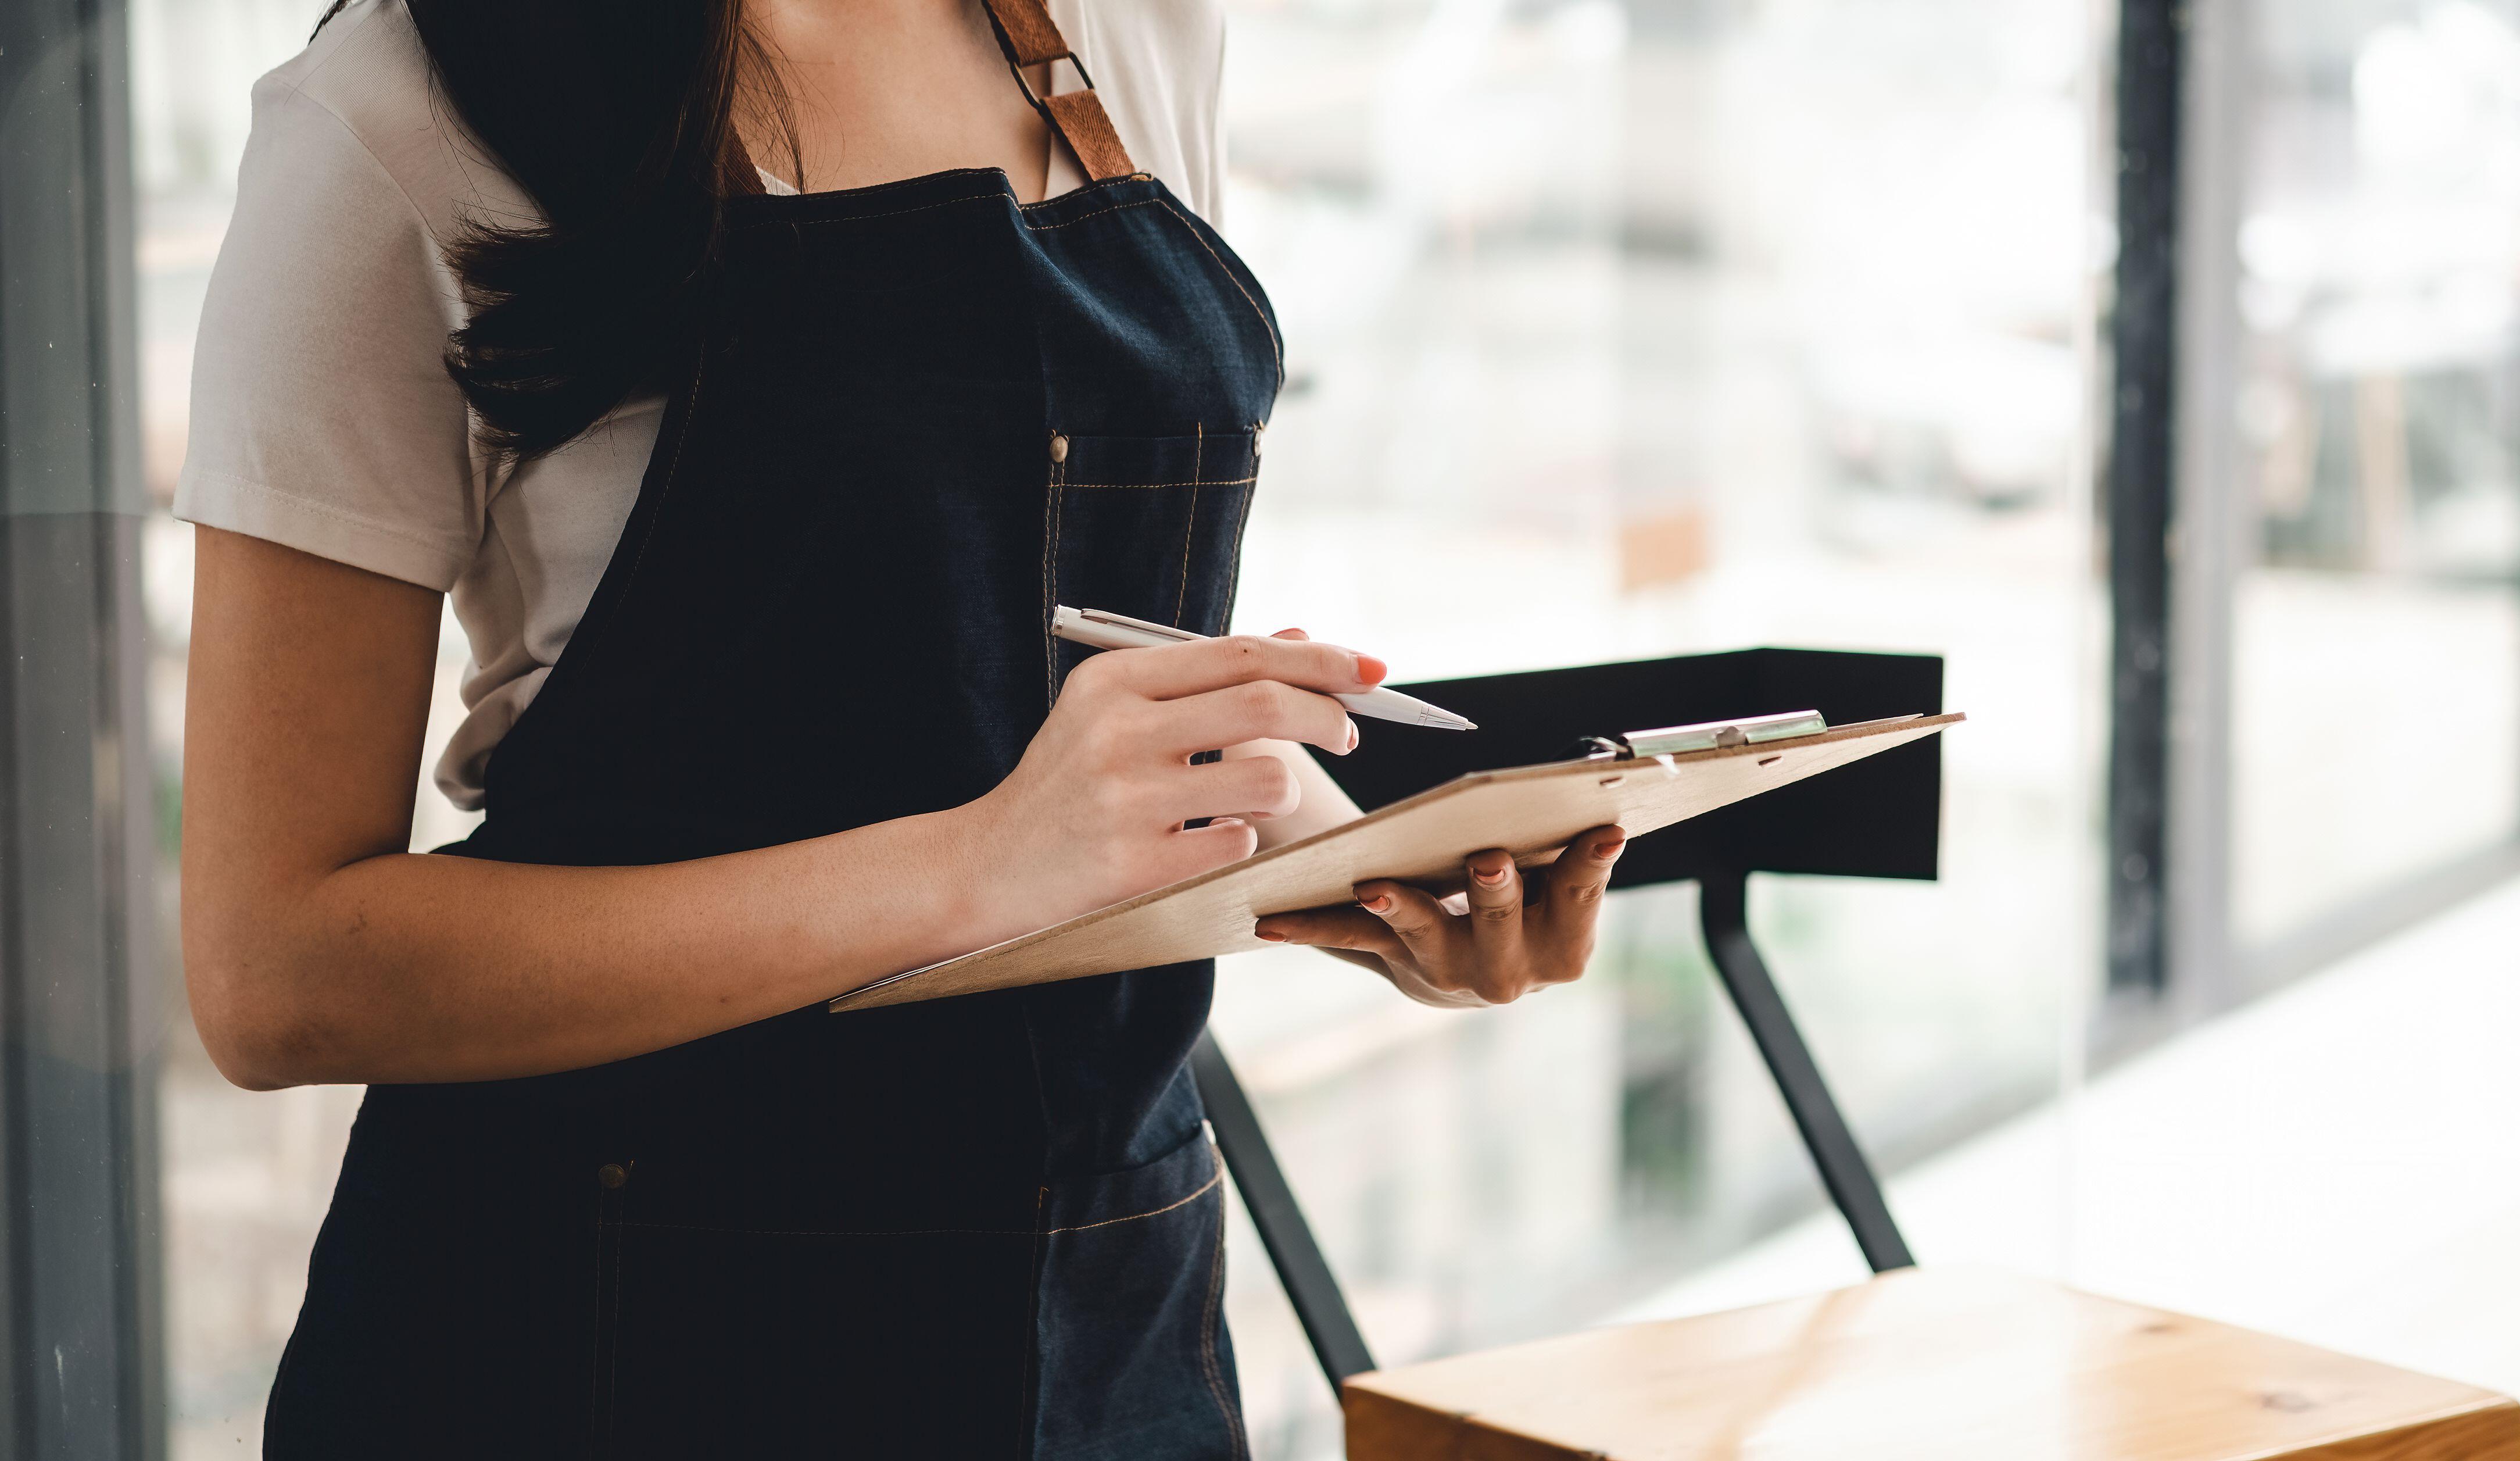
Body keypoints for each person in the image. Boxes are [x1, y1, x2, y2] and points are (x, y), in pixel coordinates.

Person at [174, 0, 1624, 1453]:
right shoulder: (394, 118)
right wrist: (979, 868)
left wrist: (1363, 865)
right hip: (608, 1332)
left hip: (1102, 1317)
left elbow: (1011, 682)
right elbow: (277, 969)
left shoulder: (1137, 31)